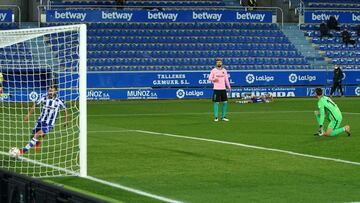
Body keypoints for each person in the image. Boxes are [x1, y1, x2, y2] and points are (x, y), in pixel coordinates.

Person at [20, 85, 68, 154]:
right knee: (33, 134)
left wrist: (66, 120)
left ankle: (24, 150)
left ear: (55, 91)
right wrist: (28, 115)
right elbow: (35, 105)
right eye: (49, 90)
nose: (50, 92)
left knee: (36, 134)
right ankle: (37, 142)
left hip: (49, 123)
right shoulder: (43, 97)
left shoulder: (59, 100)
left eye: (52, 91)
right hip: (40, 120)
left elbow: (65, 110)